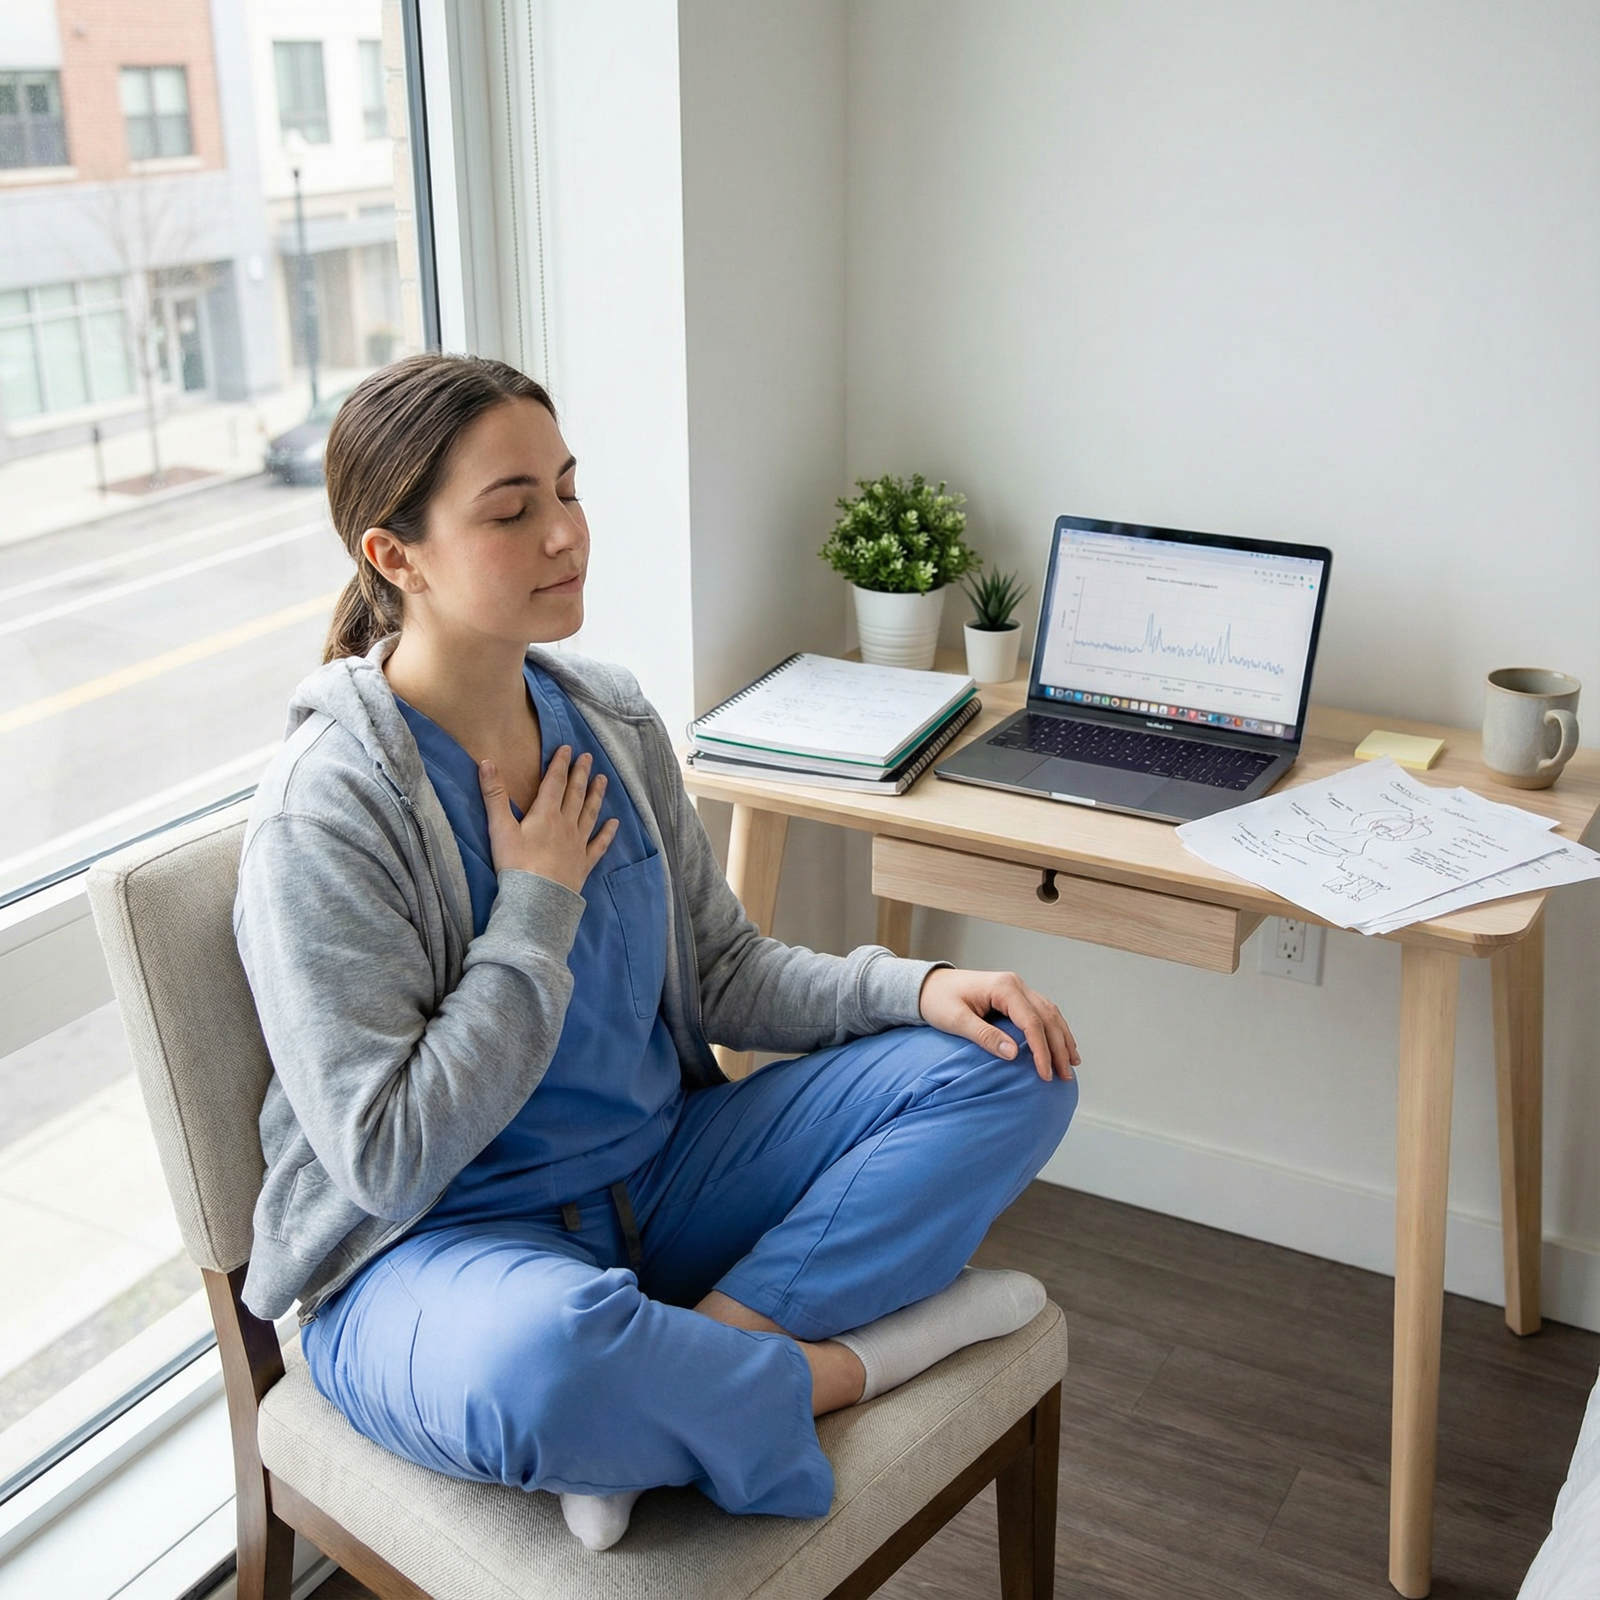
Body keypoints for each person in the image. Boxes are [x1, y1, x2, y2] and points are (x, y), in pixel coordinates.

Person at [233, 352, 1080, 1552]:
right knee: (549, 1359)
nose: (565, 535)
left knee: (1011, 1060)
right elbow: (384, 1154)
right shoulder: (329, 812)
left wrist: (922, 986)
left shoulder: (613, 721)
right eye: (512, 510)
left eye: (567, 491)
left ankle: (705, 1366)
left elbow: (725, 970)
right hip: (434, 1249)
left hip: (664, 1175)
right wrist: (535, 908)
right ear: (394, 557)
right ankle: (849, 1364)